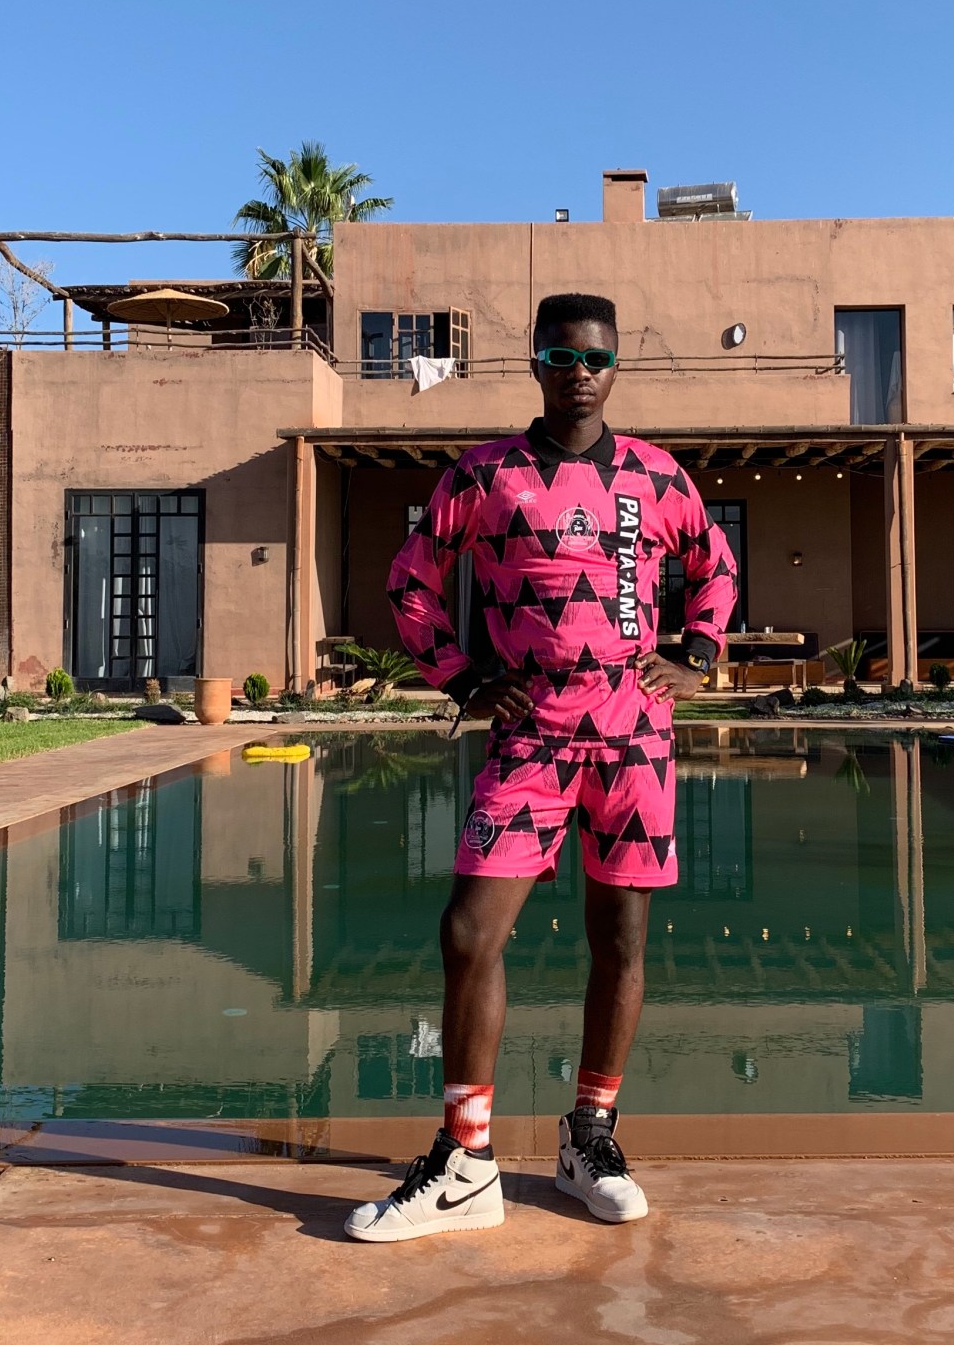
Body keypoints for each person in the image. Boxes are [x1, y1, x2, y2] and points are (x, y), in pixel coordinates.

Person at [344, 292, 739, 1242]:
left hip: (634, 736)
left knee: (622, 940)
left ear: (614, 367)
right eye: (561, 358)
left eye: (595, 358)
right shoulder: (485, 475)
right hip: (531, 737)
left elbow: (715, 564)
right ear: (535, 365)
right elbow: (409, 582)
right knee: (469, 932)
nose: (579, 374)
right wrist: (463, 677)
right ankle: (466, 1161)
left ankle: (589, 1139)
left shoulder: (656, 475)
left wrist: (697, 654)